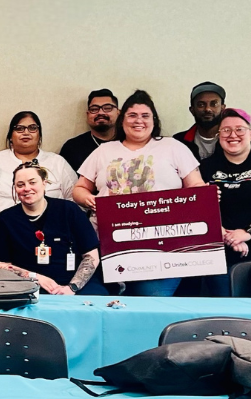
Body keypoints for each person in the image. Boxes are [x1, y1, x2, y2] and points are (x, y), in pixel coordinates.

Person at [74, 90, 204, 296]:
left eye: (145, 115)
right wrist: (90, 200)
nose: (138, 121)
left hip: (163, 247)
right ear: (122, 120)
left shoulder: (172, 147)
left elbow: (196, 186)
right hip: (108, 243)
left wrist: (205, 197)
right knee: (109, 305)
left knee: (151, 300)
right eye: (132, 115)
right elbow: (79, 189)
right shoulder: (104, 151)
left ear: (154, 120)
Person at [0, 161, 106, 295]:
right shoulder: (6, 219)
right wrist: (35, 277)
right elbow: (1, 264)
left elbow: (91, 256)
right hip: (27, 285)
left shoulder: (69, 210)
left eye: (32, 182)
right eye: (20, 185)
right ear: (15, 188)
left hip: (76, 283)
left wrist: (71, 288)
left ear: (44, 183)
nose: (27, 188)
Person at [0, 112, 77, 250]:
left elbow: (75, 201)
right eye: (19, 128)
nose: (26, 132)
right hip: (2, 243)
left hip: (51, 244)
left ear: (39, 135)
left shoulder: (57, 162)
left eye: (32, 128)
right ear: (10, 136)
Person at [199, 108, 251, 296]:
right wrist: (225, 235)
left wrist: (246, 233)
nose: (232, 135)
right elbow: (196, 209)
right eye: (226, 130)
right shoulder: (205, 168)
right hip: (217, 244)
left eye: (240, 129)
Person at [59, 89, 120, 172]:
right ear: (88, 114)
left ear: (118, 112)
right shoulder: (72, 148)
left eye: (107, 108)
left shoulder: (130, 142)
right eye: (94, 109)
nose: (101, 113)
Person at [174, 82, 226, 160]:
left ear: (223, 108)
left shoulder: (235, 139)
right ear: (192, 110)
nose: (208, 109)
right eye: (201, 105)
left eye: (214, 104)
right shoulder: (178, 142)